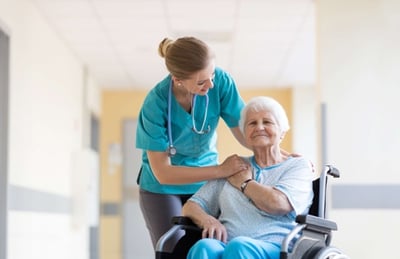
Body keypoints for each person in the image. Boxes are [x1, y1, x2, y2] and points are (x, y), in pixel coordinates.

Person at [135, 36, 250, 250]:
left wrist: (279, 153)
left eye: (212, 75)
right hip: (162, 188)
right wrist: (221, 171)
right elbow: (163, 173)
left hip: (204, 185)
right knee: (173, 248)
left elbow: (246, 132)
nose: (211, 84)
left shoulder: (221, 83)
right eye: (201, 82)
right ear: (178, 79)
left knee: (211, 245)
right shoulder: (155, 103)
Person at [182, 96, 314, 259]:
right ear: (245, 135)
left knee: (239, 247)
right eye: (252, 123)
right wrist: (208, 220)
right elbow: (191, 206)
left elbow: (278, 203)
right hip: (227, 244)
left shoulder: (297, 166)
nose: (259, 127)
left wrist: (245, 183)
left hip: (276, 247)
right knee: (204, 246)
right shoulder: (233, 166)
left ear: (282, 132)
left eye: (267, 122)